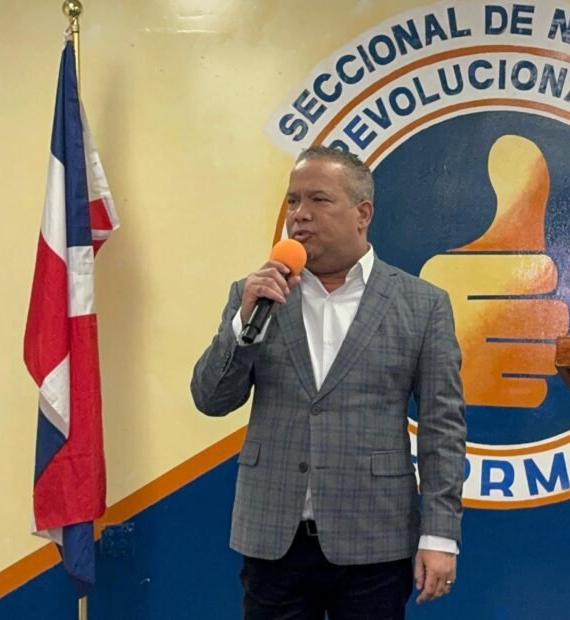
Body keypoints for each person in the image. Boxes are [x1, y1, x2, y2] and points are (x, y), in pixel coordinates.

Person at [191, 146, 466, 619]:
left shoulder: (423, 305)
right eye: (293, 200)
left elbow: (443, 428)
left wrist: (440, 535)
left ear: (363, 213)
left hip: (375, 538)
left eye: (318, 199)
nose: (299, 214)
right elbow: (211, 399)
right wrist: (242, 326)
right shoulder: (255, 295)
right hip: (273, 536)